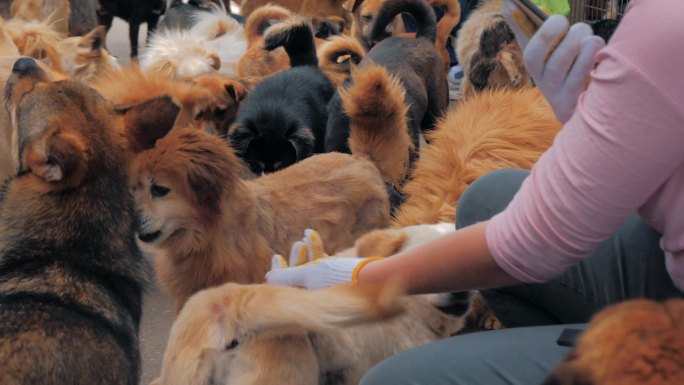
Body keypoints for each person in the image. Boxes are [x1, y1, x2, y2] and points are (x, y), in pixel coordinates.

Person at [267, 0, 684, 383]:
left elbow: (532, 244)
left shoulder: (665, 25)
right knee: (488, 197)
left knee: (391, 379)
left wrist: (355, 273)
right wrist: (594, 117)